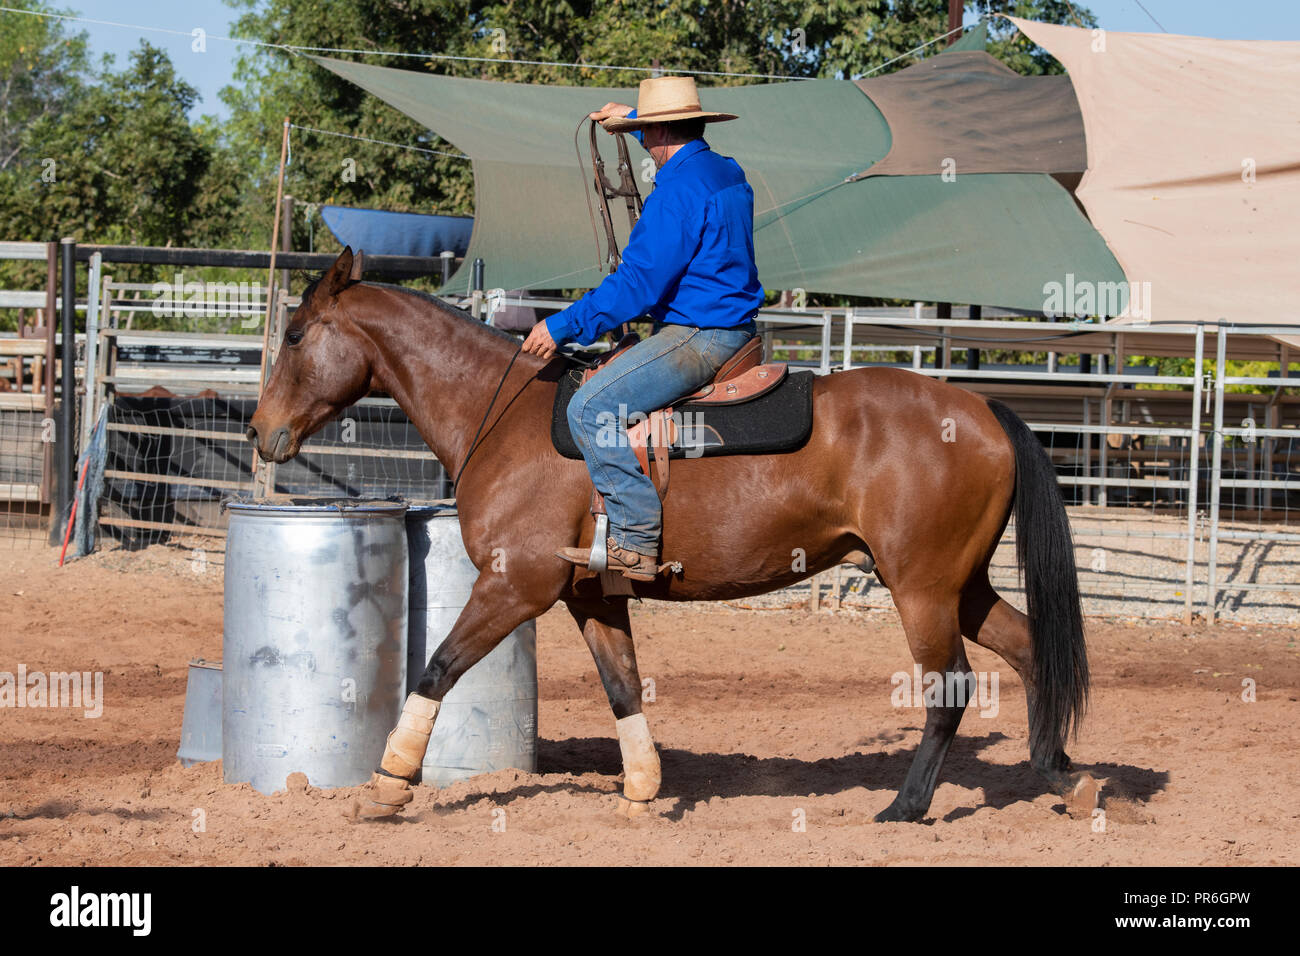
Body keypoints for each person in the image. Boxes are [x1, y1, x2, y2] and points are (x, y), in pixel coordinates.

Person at [522, 75, 764, 580]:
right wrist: (634, 123)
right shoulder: (725, 171)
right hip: (735, 327)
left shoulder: (675, 193)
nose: (648, 145)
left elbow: (638, 286)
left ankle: (634, 539)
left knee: (588, 407)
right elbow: (678, 150)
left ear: (661, 133)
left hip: (699, 335)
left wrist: (565, 325)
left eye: (650, 133)